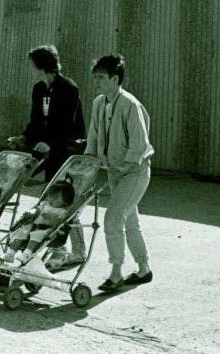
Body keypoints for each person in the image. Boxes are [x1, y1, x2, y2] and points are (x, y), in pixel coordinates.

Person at [7, 44, 87, 270]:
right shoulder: (39, 89)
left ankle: (75, 251)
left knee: (66, 202)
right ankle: (57, 248)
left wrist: (50, 143)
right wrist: (24, 137)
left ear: (42, 65)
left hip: (67, 151)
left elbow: (66, 124)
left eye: (32, 64)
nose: (30, 68)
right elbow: (36, 121)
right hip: (47, 151)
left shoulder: (68, 88)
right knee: (50, 201)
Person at [85, 54, 154, 293]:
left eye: (102, 78)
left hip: (134, 173)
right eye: (95, 78)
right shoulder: (98, 103)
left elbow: (140, 141)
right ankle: (144, 268)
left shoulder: (130, 104)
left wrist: (127, 163)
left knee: (113, 218)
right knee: (130, 220)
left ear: (116, 79)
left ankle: (116, 273)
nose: (97, 83)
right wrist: (87, 165)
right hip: (114, 171)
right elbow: (93, 136)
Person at [4, 180, 75, 264]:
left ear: (65, 201)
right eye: (50, 196)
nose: (50, 199)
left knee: (36, 234)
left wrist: (51, 218)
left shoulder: (62, 211)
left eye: (55, 198)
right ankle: (10, 253)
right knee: (22, 231)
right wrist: (31, 212)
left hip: (47, 229)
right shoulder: (45, 204)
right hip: (33, 226)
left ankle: (27, 254)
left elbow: (60, 222)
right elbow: (37, 210)